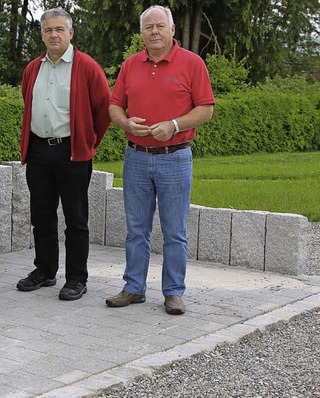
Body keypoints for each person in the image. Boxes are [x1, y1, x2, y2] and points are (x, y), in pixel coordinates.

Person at [105, 5, 215, 314]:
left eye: (160, 26)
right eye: (148, 27)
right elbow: (115, 105)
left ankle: (173, 292)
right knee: (136, 229)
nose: (154, 31)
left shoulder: (192, 64)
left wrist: (175, 125)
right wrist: (125, 123)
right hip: (136, 158)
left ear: (172, 29)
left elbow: (206, 108)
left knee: (174, 231)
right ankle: (134, 288)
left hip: (175, 158)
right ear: (141, 33)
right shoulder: (131, 65)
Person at [17, 8, 111, 300]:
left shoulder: (86, 67)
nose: (54, 35)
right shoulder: (33, 68)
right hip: (38, 152)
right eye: (48, 30)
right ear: (42, 34)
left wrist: (86, 141)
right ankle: (45, 271)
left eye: (59, 29)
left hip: (72, 153)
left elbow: (103, 110)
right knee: (42, 216)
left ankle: (76, 278)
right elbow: (27, 101)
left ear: (71, 33)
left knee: (75, 219)